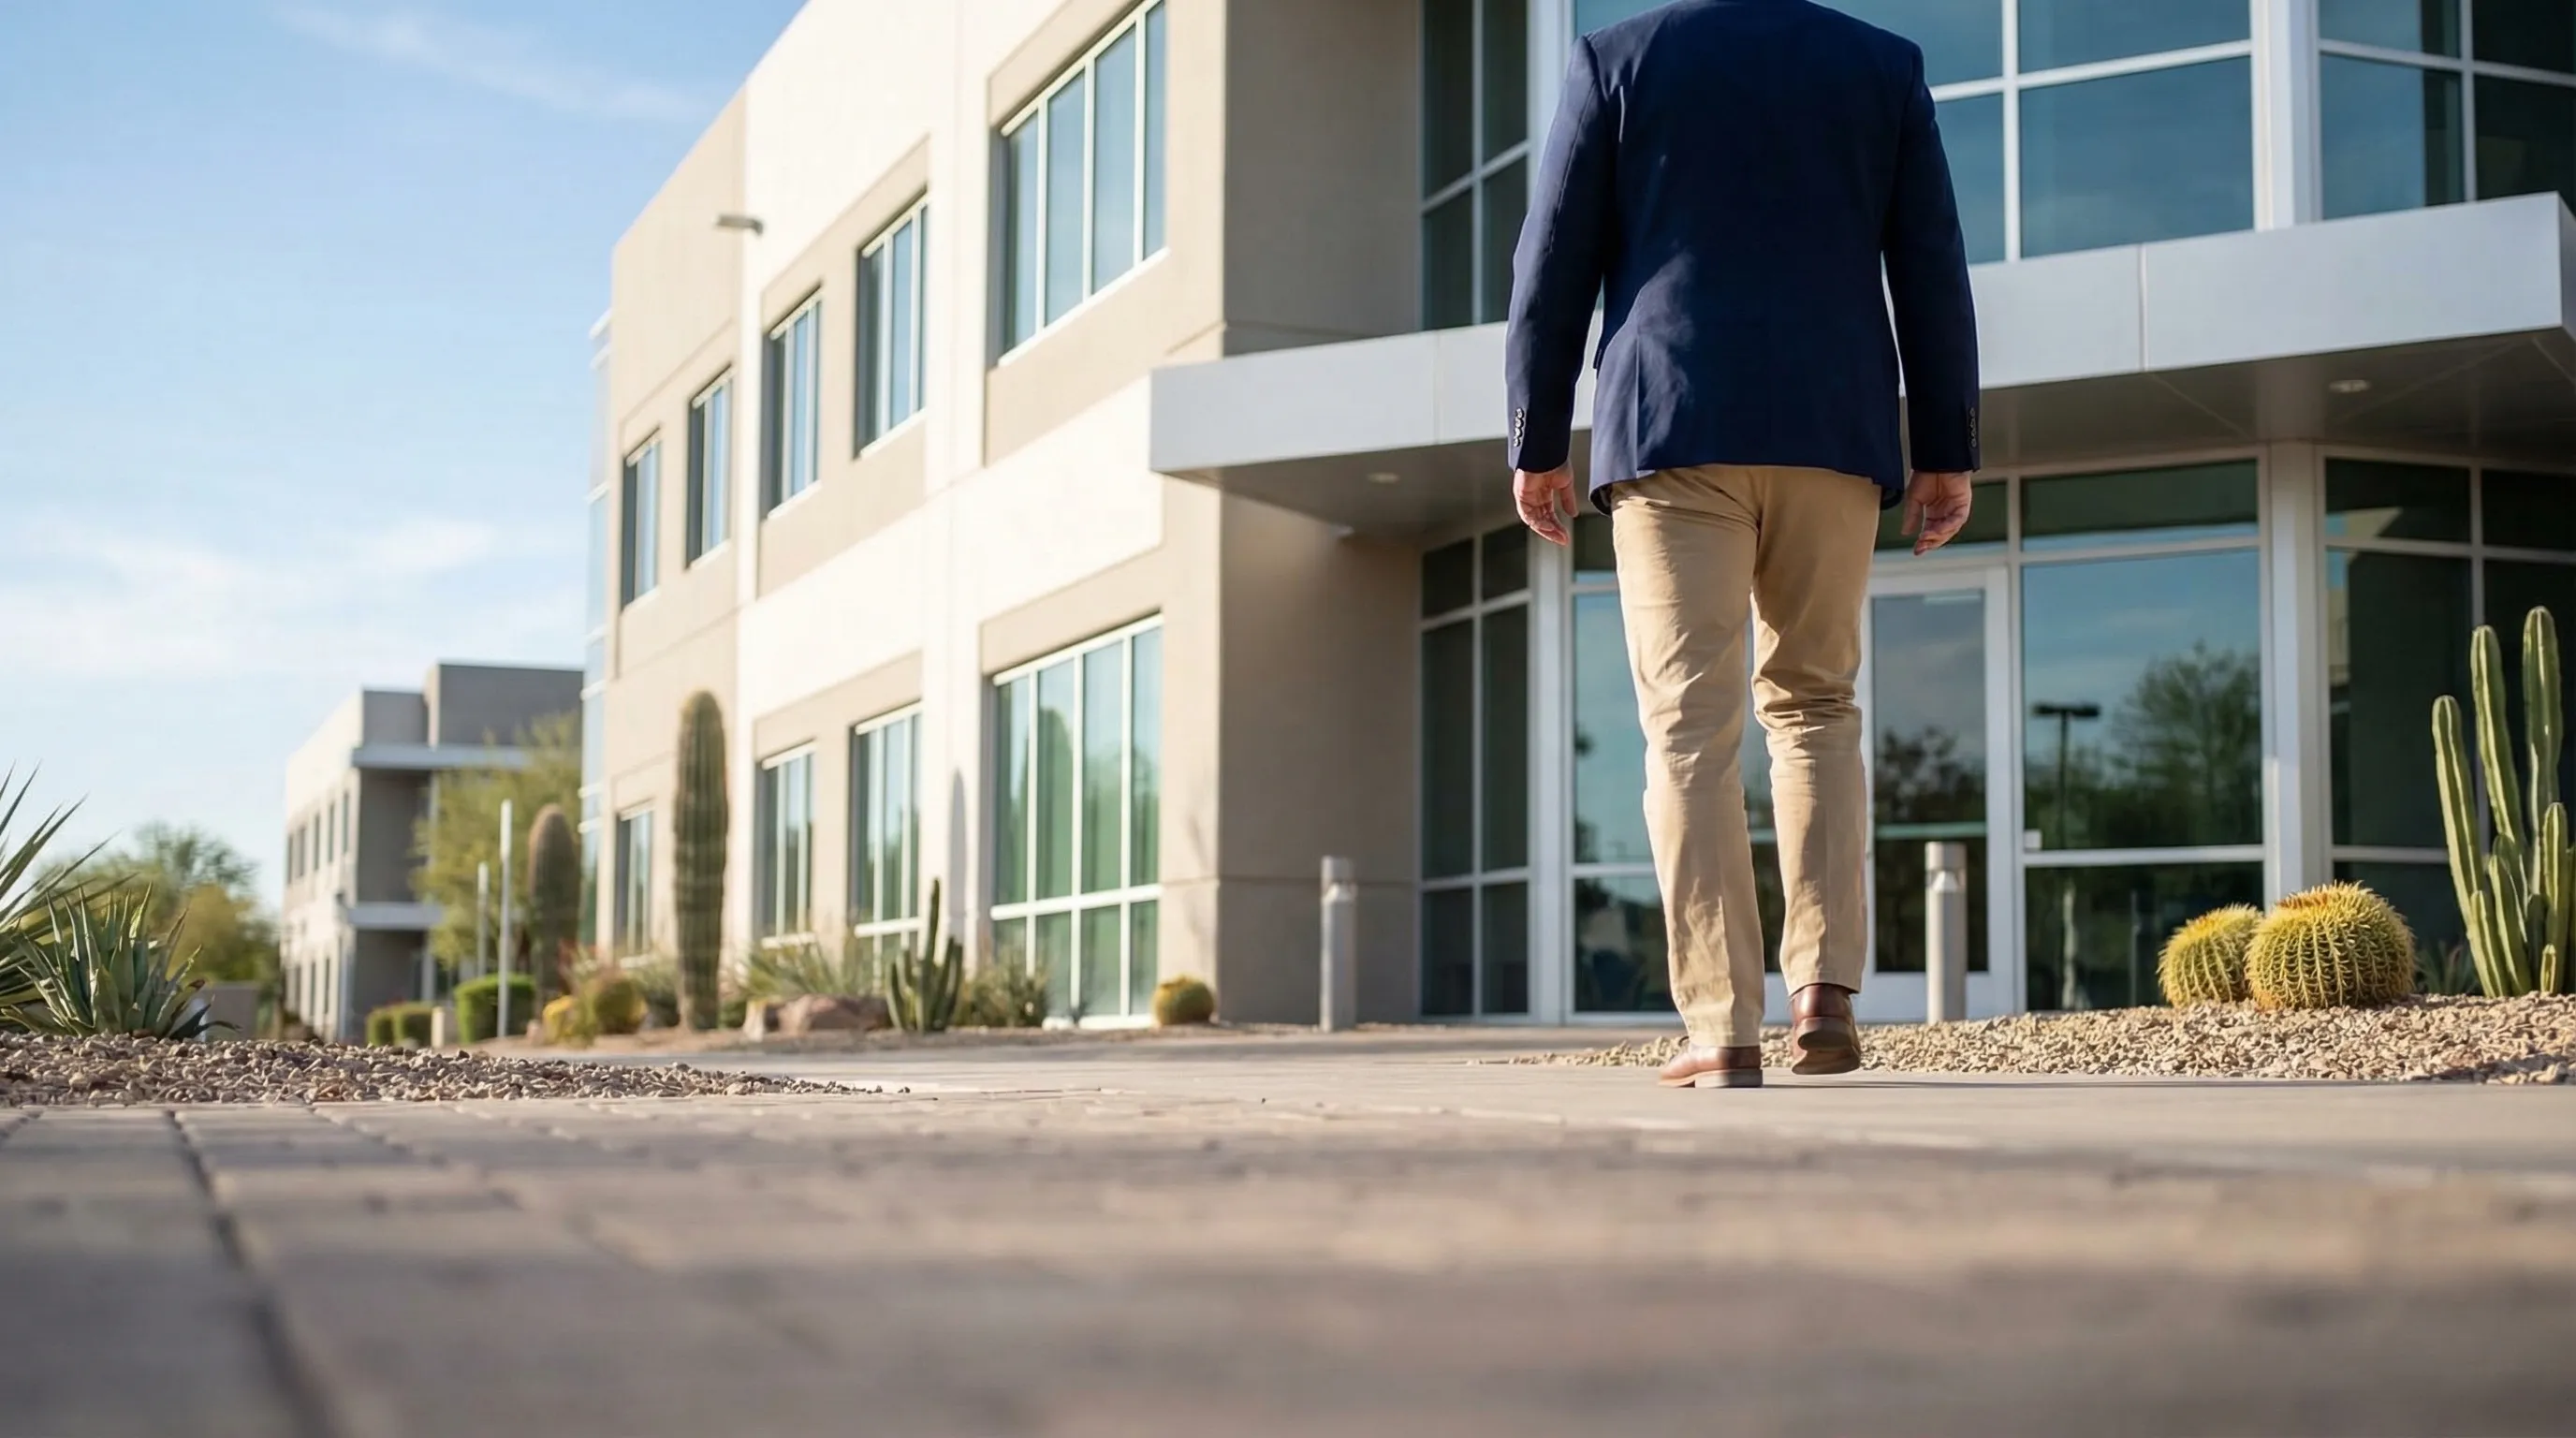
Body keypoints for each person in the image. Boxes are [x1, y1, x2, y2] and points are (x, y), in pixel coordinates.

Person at [1503, 0, 1981, 1089]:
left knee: (1688, 730)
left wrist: (1537, 436)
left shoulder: (1617, 58)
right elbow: (1929, 263)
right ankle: (1824, 994)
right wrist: (1945, 442)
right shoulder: (1881, 64)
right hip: (1832, 426)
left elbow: (1553, 260)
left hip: (1673, 425)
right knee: (1816, 704)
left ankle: (1721, 1027)